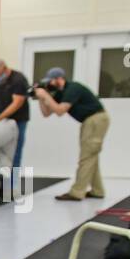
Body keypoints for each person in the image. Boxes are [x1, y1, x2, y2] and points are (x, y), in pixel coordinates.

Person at [32, 68, 110, 201]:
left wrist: (45, 95)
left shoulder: (73, 88)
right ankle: (98, 190)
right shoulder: (61, 92)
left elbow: (60, 111)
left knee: (86, 157)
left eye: (50, 81)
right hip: (89, 121)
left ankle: (77, 192)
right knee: (91, 157)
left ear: (59, 79)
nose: (49, 84)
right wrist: (41, 97)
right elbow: (46, 113)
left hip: (96, 120)